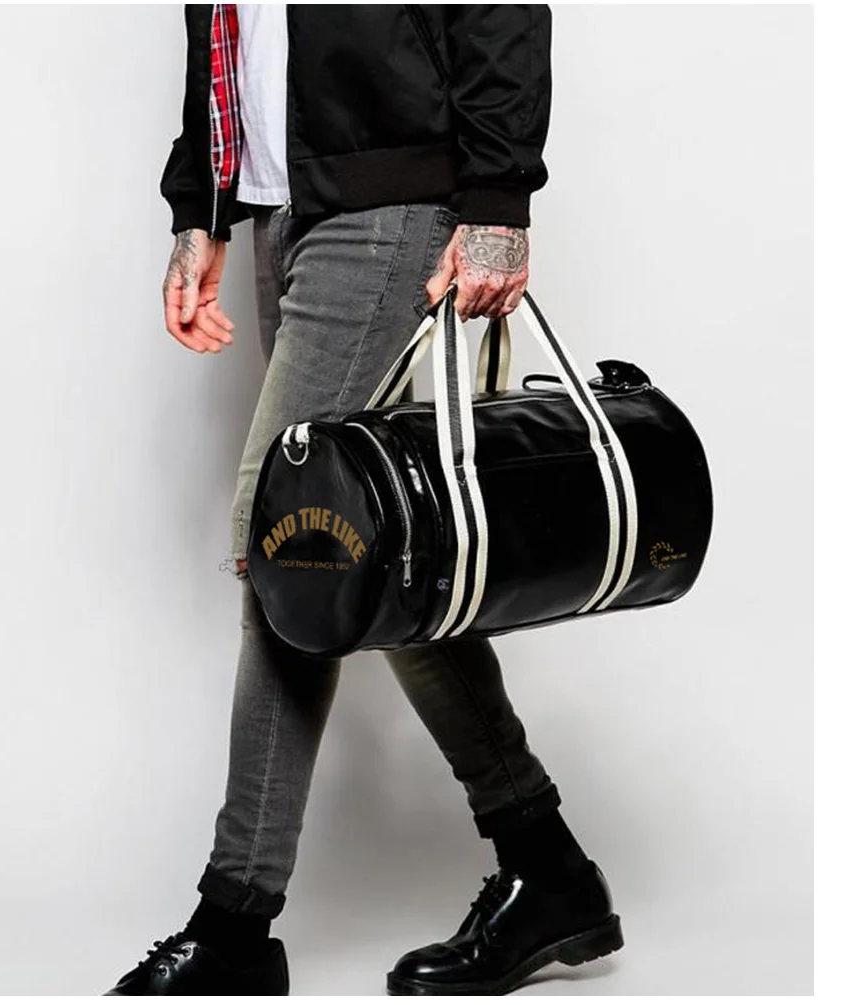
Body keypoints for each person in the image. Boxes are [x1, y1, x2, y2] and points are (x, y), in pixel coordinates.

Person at [105, 5, 623, 997]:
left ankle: (236, 920)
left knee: (294, 549)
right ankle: (547, 868)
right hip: (286, 207)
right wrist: (199, 209)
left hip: (382, 205)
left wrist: (499, 201)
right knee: (370, 556)